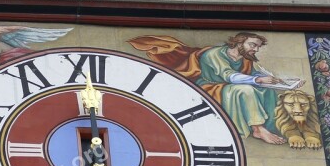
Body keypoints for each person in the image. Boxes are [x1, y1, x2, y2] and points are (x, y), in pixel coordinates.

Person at [129, 32, 305, 144]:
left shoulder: (244, 59)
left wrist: (277, 82)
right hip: (210, 88)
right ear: (239, 42)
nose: (255, 49)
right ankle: (258, 129)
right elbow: (230, 76)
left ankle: (274, 125)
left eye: (258, 47)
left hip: (227, 87)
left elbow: (250, 77)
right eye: (253, 45)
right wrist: (257, 80)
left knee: (265, 90)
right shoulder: (214, 54)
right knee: (246, 90)